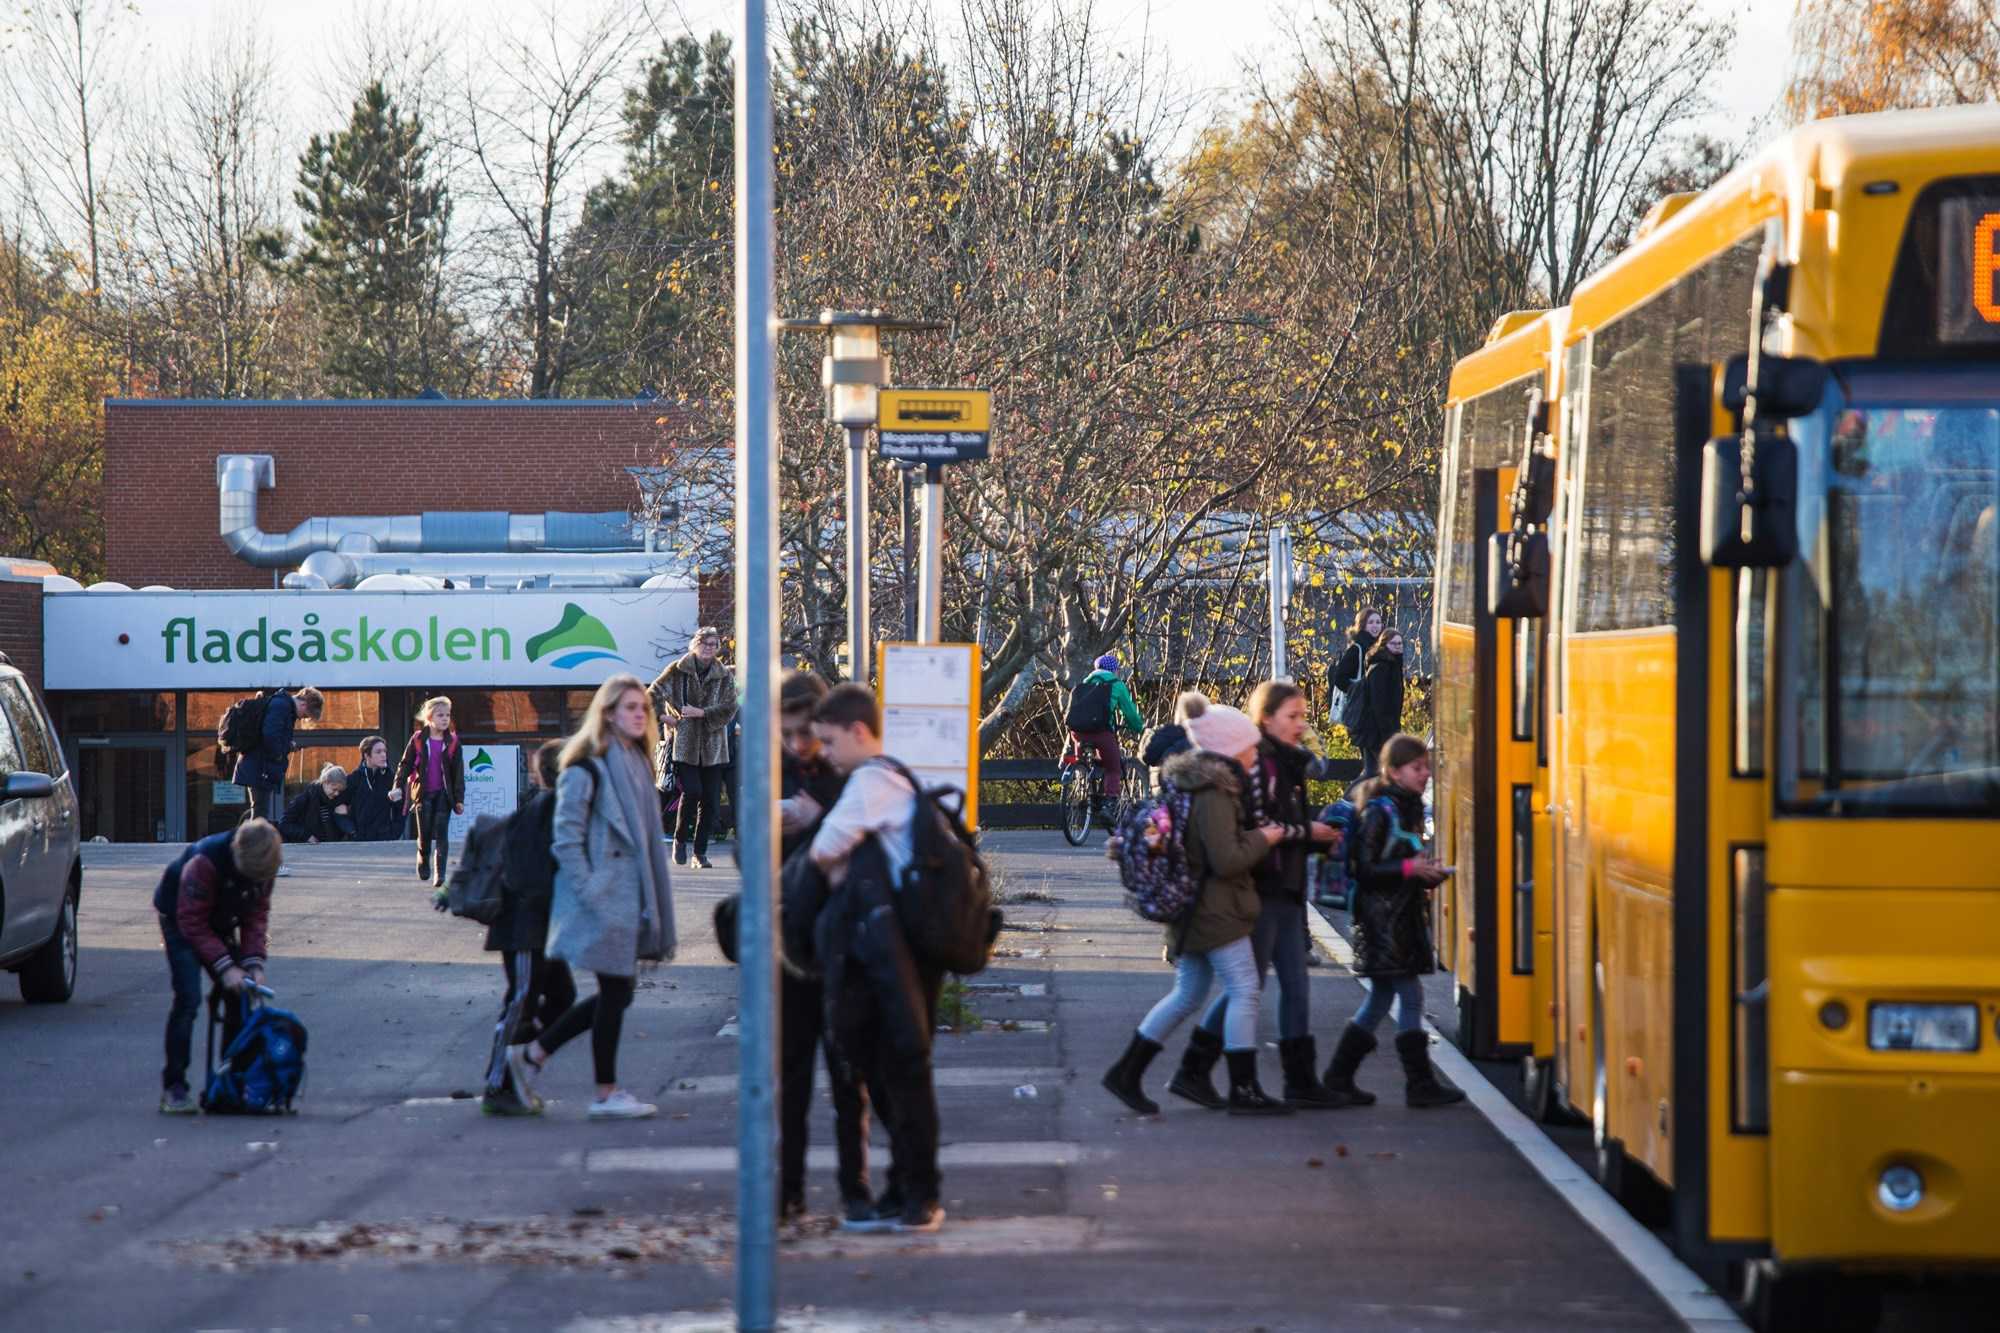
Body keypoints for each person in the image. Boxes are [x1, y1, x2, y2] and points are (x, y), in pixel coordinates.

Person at [1101, 693, 1291, 1118]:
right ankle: (1243, 1088)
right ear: (1229, 750)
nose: (1254, 755)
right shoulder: (1216, 793)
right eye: (1248, 748)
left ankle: (1127, 1072)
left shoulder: (1189, 784)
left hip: (1192, 909)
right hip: (1216, 910)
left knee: (1188, 994)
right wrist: (1265, 838)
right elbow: (1225, 859)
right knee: (1244, 989)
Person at [805, 683, 944, 1233]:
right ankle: (904, 1187)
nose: (826, 753)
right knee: (897, 1070)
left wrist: (829, 860)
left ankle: (919, 1194)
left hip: (897, 952)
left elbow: (823, 848)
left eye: (830, 741)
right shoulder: (899, 773)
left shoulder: (869, 781)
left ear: (859, 732)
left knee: (901, 1072)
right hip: (914, 942)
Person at [511, 675, 675, 1121]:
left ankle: (535, 1057)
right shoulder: (585, 767)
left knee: (616, 993)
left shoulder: (637, 763)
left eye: (643, 707)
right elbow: (566, 838)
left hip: (629, 896)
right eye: (629, 708)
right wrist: (592, 889)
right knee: (617, 992)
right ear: (606, 715)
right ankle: (602, 1091)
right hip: (604, 899)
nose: (640, 714)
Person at [1177, 682, 1343, 1109]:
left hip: (1285, 886)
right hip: (1262, 886)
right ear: (1265, 718)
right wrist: (1310, 833)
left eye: (1304, 715)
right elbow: (1258, 824)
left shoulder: (1287, 761)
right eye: (1292, 716)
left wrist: (1315, 835)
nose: (1302, 723)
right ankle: (1195, 1070)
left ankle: (1300, 1079)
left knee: (1295, 983)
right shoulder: (1255, 761)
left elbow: (1286, 816)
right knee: (1250, 984)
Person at [767, 668, 874, 1223]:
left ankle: (854, 1189)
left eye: (804, 732)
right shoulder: (771, 771)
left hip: (843, 939)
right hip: (789, 938)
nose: (796, 745)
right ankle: (788, 1191)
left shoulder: (845, 771)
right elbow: (744, 856)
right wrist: (774, 829)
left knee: (847, 1073)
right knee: (792, 1076)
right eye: (786, 734)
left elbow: (872, 838)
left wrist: (818, 818)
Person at [1319, 733, 1466, 1109]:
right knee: (1409, 996)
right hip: (1384, 922)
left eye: (1427, 767)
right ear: (1394, 770)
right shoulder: (1381, 810)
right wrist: (1410, 868)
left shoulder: (1403, 806)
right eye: (1417, 768)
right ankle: (1418, 1083)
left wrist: (1422, 872)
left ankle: (1339, 1076)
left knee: (1383, 999)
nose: (1425, 775)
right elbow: (1366, 869)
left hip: (1395, 918)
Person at [153, 818, 284, 1113]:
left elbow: (256, 915)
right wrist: (225, 967)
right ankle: (174, 1086)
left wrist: (253, 964)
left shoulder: (264, 867)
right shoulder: (204, 862)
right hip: (179, 916)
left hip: (221, 916)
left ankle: (231, 1081)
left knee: (240, 994)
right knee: (188, 998)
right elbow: (192, 922)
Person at [482, 740, 576, 1117]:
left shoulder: (550, 807)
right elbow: (529, 872)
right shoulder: (547, 808)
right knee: (521, 999)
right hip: (524, 926)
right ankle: (497, 1084)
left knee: (561, 996)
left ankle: (519, 1056)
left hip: (541, 925)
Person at [651, 626, 738, 869]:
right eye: (705, 643)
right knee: (692, 791)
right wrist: (662, 717)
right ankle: (679, 840)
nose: (709, 648)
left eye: (713, 644)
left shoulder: (723, 675)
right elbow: (651, 694)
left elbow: (730, 707)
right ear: (695, 645)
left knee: (710, 800)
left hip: (714, 745)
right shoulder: (678, 671)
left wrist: (702, 713)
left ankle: (699, 853)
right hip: (685, 743)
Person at [231, 686, 324, 875]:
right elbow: (270, 736)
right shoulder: (281, 706)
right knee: (259, 815)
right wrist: (281, 751)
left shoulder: (281, 705)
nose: (302, 718)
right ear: (304, 703)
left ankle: (249, 860)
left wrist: (286, 745)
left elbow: (272, 736)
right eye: (305, 714)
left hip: (258, 766)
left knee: (258, 813)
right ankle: (259, 863)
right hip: (259, 768)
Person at [394, 696, 465, 888]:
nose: (445, 719)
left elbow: (458, 773)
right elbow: (405, 765)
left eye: (447, 715)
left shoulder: (453, 742)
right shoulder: (418, 739)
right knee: (425, 834)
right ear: (429, 717)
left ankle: (440, 873)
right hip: (423, 794)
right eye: (440, 715)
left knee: (442, 833)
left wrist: (459, 799)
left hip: (444, 795)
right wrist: (397, 786)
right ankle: (423, 859)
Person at [1066, 652, 1145, 819]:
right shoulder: (1116, 685)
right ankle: (1109, 804)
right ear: (1114, 670)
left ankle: (1081, 786)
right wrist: (1139, 728)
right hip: (1101, 732)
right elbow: (1130, 713)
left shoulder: (1083, 684)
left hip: (1077, 733)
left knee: (1082, 761)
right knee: (1113, 766)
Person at [1352, 628, 1407, 779]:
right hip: (1376, 731)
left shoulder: (1392, 665)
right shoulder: (1381, 667)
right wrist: (1388, 732)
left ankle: (1355, 801)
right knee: (1384, 771)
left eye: (1400, 643)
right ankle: (1348, 801)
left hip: (1377, 730)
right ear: (1384, 644)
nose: (1398, 646)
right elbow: (1379, 704)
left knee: (1372, 772)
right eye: (1393, 643)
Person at [344, 736, 404, 842]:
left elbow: (401, 810)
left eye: (384, 751)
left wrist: (394, 833)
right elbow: (341, 809)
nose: (383, 755)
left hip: (384, 839)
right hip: (359, 841)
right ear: (367, 755)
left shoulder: (392, 778)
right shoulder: (354, 778)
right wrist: (352, 832)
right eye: (378, 752)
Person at [278, 764, 351, 844]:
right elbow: (284, 825)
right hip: (305, 850)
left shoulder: (337, 801)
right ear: (325, 782)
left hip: (330, 850)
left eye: (339, 791)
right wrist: (306, 835)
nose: (337, 793)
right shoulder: (306, 798)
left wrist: (342, 816)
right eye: (334, 789)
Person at [1331, 607, 1382, 707]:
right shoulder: (1356, 649)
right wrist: (1359, 692)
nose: (1375, 625)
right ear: (1362, 625)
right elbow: (1339, 679)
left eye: (1378, 622)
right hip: (1359, 712)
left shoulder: (1380, 648)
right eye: (1370, 622)